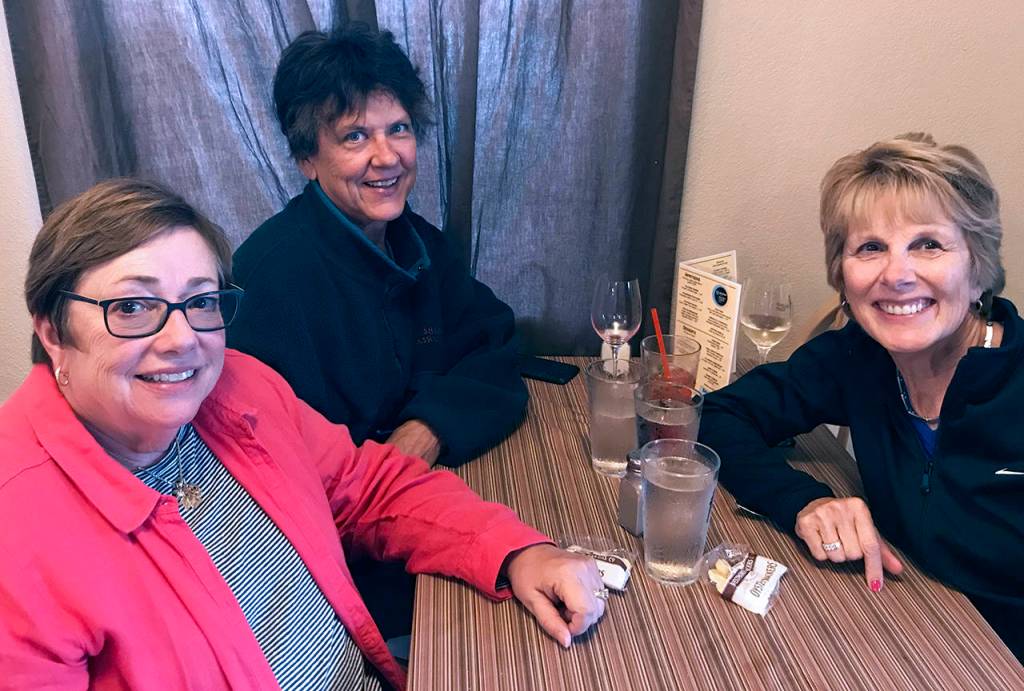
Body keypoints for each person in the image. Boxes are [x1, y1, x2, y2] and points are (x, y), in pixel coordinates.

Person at [0, 179, 607, 690]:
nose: (181, 339)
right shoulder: (17, 532)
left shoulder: (238, 385)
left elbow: (368, 489)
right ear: (54, 329)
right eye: (132, 307)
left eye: (201, 301)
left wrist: (517, 550)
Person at [699, 133, 1023, 662]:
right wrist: (803, 501)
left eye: (928, 244)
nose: (896, 275)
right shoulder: (858, 358)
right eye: (871, 247)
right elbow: (718, 416)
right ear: (843, 275)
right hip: (901, 631)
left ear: (978, 266)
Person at [228, 26, 526, 468]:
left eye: (398, 129)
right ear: (307, 159)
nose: (387, 158)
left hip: (423, 479)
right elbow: (260, 447)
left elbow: (496, 342)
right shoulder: (269, 277)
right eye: (355, 136)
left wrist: (429, 427)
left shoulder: (421, 242)